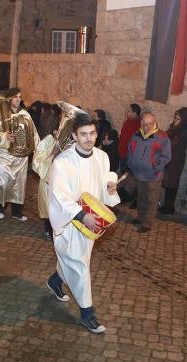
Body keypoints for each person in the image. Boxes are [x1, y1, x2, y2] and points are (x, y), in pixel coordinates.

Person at [46, 114, 120, 333]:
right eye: (83, 134)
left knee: (75, 260)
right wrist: (81, 215)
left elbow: (105, 181)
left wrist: (110, 187)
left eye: (92, 133)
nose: (89, 139)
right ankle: (88, 313)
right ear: (74, 136)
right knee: (79, 266)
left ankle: (55, 281)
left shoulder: (102, 157)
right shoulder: (62, 162)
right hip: (70, 222)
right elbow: (59, 196)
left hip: (91, 222)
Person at [0, 88, 40, 221]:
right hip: (6, 155)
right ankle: (2, 208)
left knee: (20, 185)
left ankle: (16, 212)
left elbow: (33, 133)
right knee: (4, 183)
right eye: (15, 97)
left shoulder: (25, 114)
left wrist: (38, 150)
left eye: (19, 97)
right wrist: (4, 136)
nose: (18, 99)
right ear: (9, 99)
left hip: (21, 157)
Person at [126, 112, 171, 233]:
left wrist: (155, 167)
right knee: (141, 198)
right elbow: (130, 149)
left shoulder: (162, 137)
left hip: (153, 176)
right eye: (145, 124)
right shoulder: (136, 135)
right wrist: (131, 162)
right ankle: (140, 218)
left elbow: (166, 156)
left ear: (154, 122)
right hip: (139, 174)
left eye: (150, 124)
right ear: (141, 123)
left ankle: (147, 223)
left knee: (151, 200)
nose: (148, 127)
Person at [159, 107, 187, 215]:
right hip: (169, 159)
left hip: (175, 161)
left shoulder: (184, 132)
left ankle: (169, 207)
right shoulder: (173, 128)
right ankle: (166, 205)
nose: (175, 120)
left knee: (171, 185)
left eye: (177, 119)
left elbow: (174, 145)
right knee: (167, 183)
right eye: (175, 118)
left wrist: (166, 138)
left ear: (183, 120)